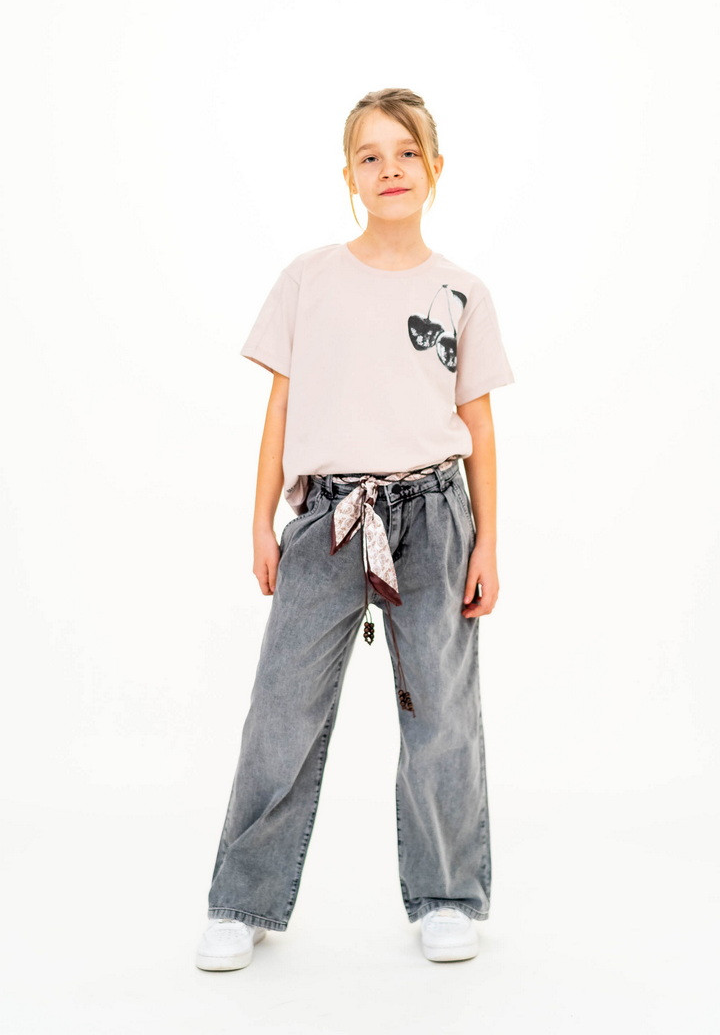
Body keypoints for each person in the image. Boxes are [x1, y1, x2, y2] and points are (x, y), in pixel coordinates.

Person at [195, 87, 515, 971]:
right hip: (328, 520)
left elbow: (479, 425)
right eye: (370, 156)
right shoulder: (309, 279)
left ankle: (447, 895)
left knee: (442, 712)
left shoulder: (462, 291)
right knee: (281, 710)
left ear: (435, 168)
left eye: (406, 153)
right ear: (348, 176)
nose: (390, 170)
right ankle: (241, 900)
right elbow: (281, 406)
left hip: (435, 517)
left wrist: (488, 542)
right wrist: (261, 519)